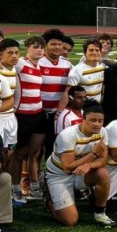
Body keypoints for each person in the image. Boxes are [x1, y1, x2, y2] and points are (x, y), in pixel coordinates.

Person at [44, 100, 115, 227]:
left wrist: (89, 165)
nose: (97, 124)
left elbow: (103, 160)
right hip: (58, 175)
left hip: (80, 171)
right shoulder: (68, 135)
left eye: (100, 121)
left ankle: (100, 214)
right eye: (93, 120)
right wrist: (93, 154)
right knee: (70, 221)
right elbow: (67, 167)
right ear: (83, 119)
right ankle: (49, 198)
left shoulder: (103, 132)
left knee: (103, 173)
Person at [39, 28, 72, 160]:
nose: (57, 47)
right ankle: (30, 179)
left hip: (57, 114)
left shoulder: (68, 65)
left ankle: (47, 176)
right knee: (35, 149)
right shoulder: (37, 62)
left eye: (59, 44)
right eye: (53, 44)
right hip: (39, 113)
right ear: (45, 45)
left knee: (53, 147)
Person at [59, 38, 105, 112]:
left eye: (97, 50)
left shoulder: (101, 67)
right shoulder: (77, 70)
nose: (94, 52)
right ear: (85, 53)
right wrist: (60, 112)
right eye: (91, 50)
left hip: (97, 108)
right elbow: (67, 92)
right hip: (82, 110)